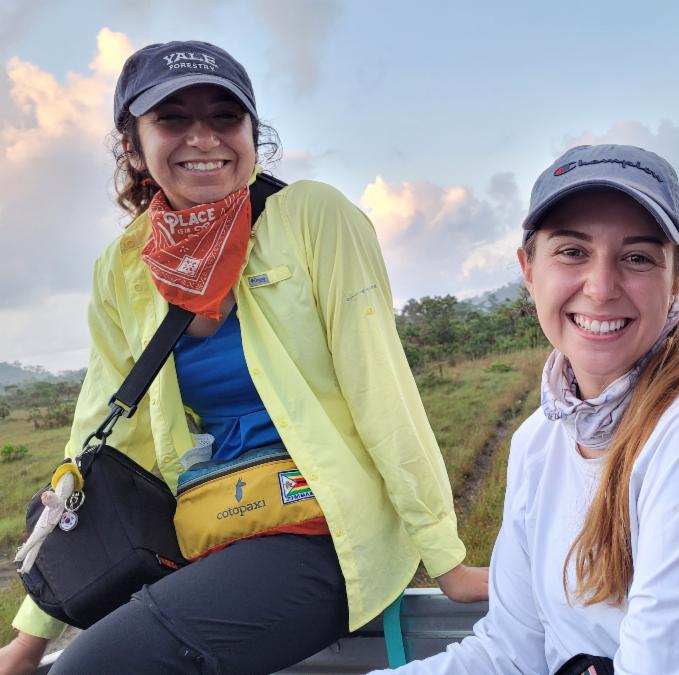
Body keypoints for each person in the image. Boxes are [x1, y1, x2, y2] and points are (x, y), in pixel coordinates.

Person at [0, 40, 485, 675]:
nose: (203, 138)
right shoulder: (124, 267)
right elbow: (100, 437)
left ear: (253, 131)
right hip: (209, 531)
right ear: (132, 144)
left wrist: (445, 561)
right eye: (172, 118)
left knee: (95, 667)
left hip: (322, 532)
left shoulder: (313, 219)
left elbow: (382, 390)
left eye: (225, 117)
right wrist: (31, 637)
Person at [376, 144, 679, 674]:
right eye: (572, 252)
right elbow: (511, 654)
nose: (602, 287)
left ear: (676, 279)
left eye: (636, 257)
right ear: (528, 269)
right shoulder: (538, 440)